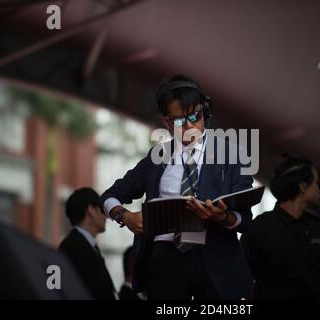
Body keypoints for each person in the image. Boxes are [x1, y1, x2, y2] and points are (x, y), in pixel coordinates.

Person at [99, 75, 254, 300]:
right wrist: (125, 216)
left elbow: (245, 219)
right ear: (166, 122)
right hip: (166, 258)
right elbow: (109, 196)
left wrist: (223, 217)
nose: (190, 125)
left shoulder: (232, 155)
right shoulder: (156, 158)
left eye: (195, 116)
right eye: (180, 121)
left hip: (214, 256)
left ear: (205, 112)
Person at [241, 155, 320, 299]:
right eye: (316, 183)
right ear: (303, 187)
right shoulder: (259, 228)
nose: (319, 188)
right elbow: (242, 277)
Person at [59, 187, 116, 300]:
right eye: (102, 210)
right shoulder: (72, 246)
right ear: (91, 210)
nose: (107, 217)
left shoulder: (87, 246)